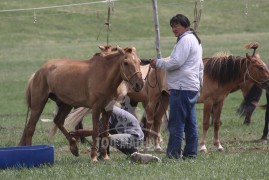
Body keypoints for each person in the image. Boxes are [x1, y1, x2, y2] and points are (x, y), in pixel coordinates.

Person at [150, 14, 203, 159]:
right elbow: (200, 67)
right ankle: (191, 154)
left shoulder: (185, 40)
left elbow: (176, 62)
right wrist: (199, 85)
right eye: (172, 26)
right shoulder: (195, 40)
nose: (174, 29)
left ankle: (173, 155)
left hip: (181, 88)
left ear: (185, 25)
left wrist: (158, 63)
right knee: (190, 123)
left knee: (177, 123)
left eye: (176, 25)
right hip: (190, 87)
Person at [70, 105, 161, 164]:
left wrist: (81, 133)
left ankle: (104, 155)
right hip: (131, 136)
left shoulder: (109, 112)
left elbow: (100, 131)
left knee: (105, 135)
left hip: (133, 137)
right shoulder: (110, 109)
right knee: (106, 134)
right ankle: (136, 155)